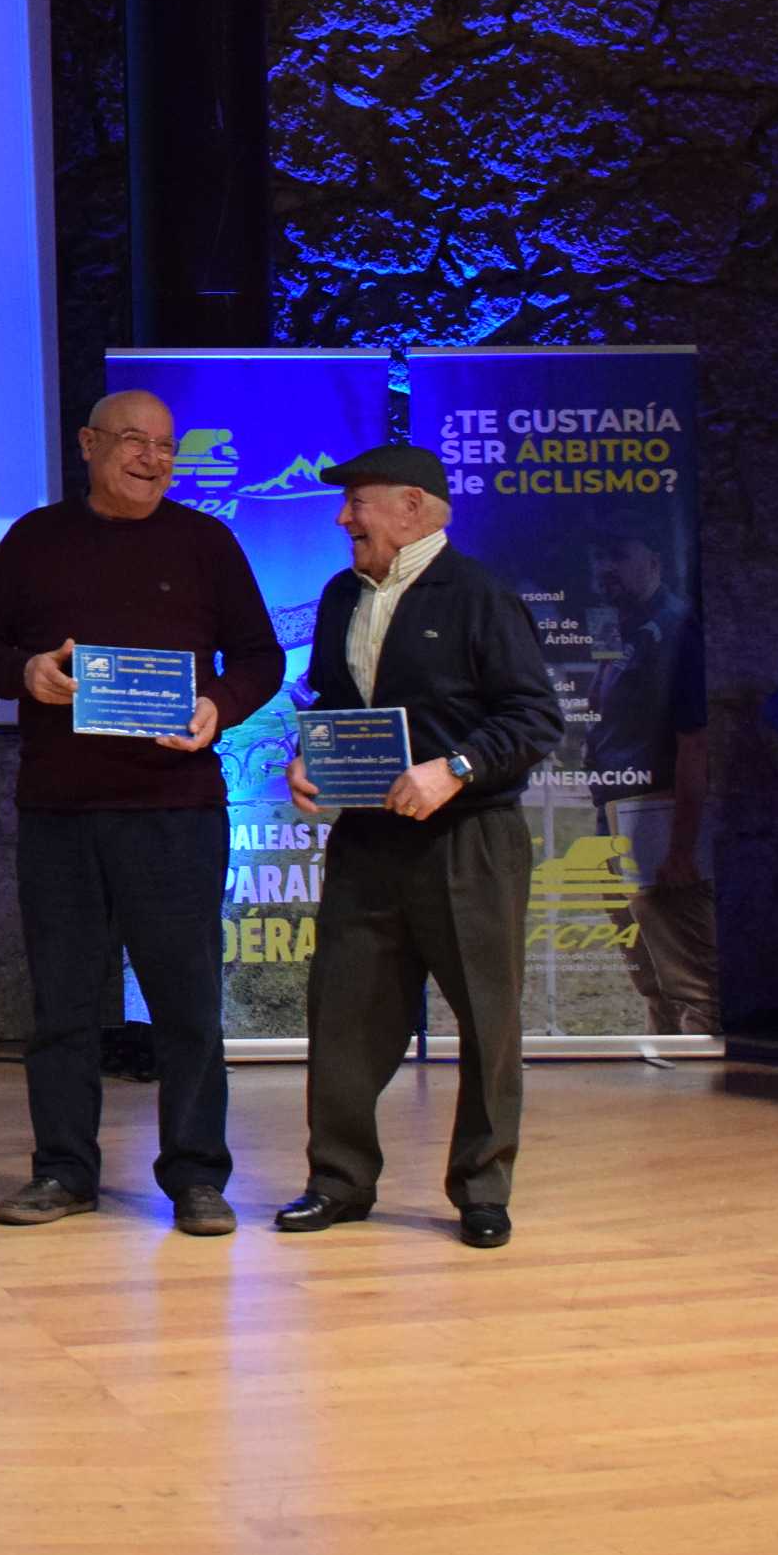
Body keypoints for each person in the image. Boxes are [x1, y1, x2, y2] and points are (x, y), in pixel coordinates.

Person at [0, 389, 283, 1237]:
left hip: (175, 811)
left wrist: (219, 705)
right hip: (62, 811)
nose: (152, 458)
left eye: (166, 445)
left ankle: (198, 1178)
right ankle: (64, 1171)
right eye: (133, 441)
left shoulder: (206, 543)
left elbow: (259, 656)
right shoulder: (36, 540)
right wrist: (25, 672)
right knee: (62, 1007)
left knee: (187, 1007)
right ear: (89, 445)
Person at [280, 444, 560, 1251]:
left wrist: (457, 769)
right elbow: (335, 701)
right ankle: (338, 1181)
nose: (342, 519)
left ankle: (482, 1189)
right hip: (369, 839)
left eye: (356, 503)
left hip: (468, 840)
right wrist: (312, 756)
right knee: (344, 1012)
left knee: (487, 1018)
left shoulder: (480, 596)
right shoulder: (341, 596)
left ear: (413, 508)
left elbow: (534, 718)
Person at [584, 523, 719, 1036]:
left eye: (618, 553)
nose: (605, 569)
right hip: (612, 810)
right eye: (599, 557)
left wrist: (681, 847)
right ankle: (663, 1077)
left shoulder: (676, 628)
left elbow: (695, 742)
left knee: (689, 975)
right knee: (646, 971)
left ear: (657, 563)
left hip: (655, 817)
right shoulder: (623, 625)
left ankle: (704, 1100)